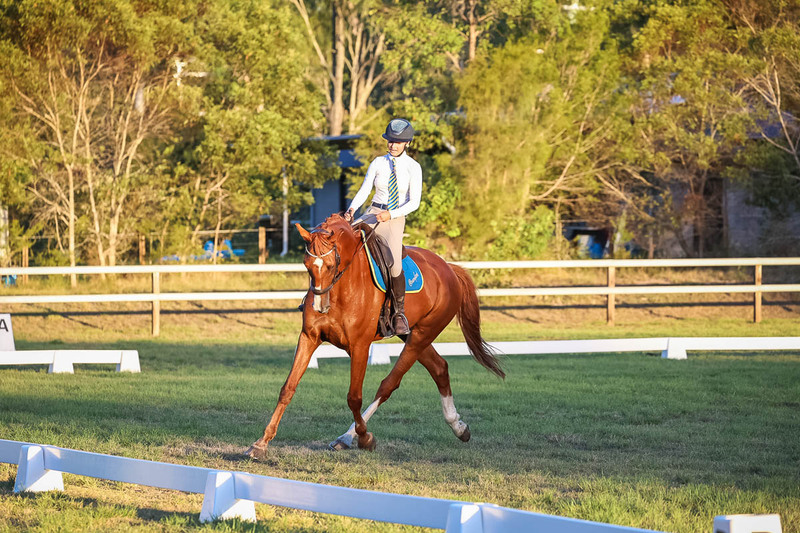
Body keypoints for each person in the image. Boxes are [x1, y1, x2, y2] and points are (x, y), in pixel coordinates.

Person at [344, 118, 423, 335]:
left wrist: (391, 214)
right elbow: (364, 190)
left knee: (395, 264)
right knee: (340, 243)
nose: (392, 145)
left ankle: (399, 313)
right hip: (372, 212)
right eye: (390, 141)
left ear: (407, 143)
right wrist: (351, 210)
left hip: (395, 217)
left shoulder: (413, 168)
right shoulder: (378, 163)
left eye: (398, 142)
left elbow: (414, 202)